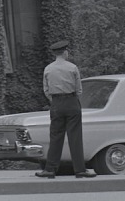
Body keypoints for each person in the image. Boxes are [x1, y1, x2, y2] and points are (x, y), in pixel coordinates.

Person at [38, 41, 94, 178]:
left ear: (55, 54)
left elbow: (46, 89)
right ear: (65, 52)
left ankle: (50, 169)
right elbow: (79, 89)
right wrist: (72, 99)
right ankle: (80, 170)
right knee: (75, 137)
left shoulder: (48, 69)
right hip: (71, 101)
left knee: (55, 136)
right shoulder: (72, 68)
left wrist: (55, 100)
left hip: (56, 103)